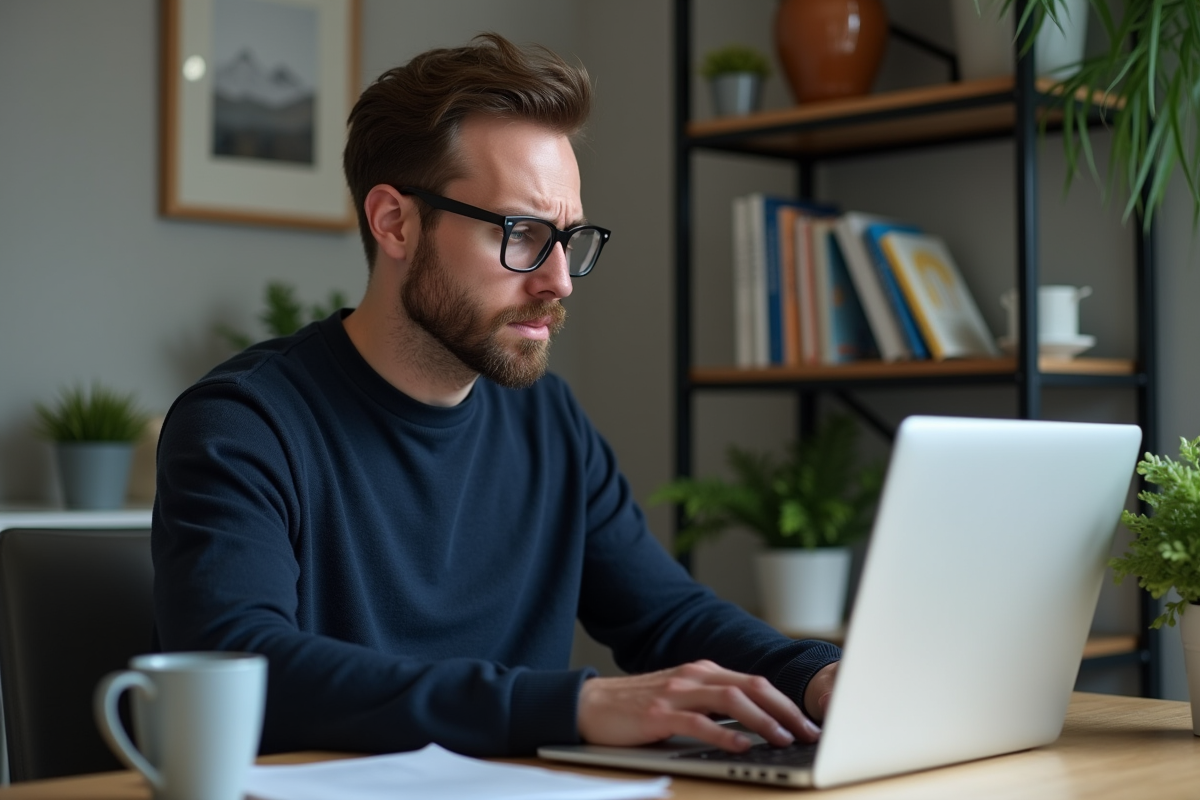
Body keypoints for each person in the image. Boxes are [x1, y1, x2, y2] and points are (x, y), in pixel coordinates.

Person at [152, 33, 840, 759]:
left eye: (568, 239)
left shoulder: (550, 423)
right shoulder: (243, 424)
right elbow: (240, 667)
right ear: (394, 223)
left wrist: (814, 675)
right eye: (522, 233)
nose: (559, 280)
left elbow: (668, 616)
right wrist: (572, 705)